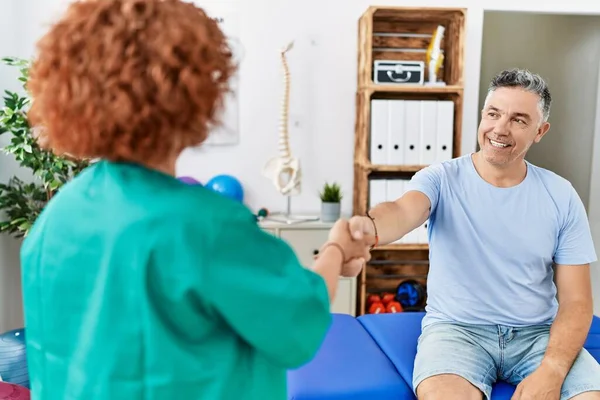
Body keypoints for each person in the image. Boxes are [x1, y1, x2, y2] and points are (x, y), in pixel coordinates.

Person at [19, 0, 374, 399]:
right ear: (195, 93)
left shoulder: (56, 219)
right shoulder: (205, 226)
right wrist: (334, 249)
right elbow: (300, 317)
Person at [348, 68, 600, 400]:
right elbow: (402, 211)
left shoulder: (561, 195)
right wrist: (371, 228)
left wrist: (551, 370)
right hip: (456, 332)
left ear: (540, 131)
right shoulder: (440, 179)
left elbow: (577, 300)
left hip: (537, 335)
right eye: (493, 114)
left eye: (518, 120)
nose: (500, 128)